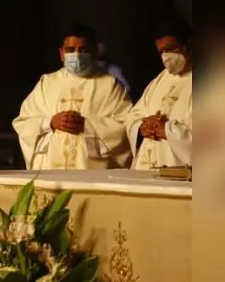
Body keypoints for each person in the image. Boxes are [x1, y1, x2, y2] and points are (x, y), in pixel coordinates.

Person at [12, 23, 133, 170]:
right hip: (51, 172)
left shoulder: (110, 85)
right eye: (70, 50)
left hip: (91, 174)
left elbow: (125, 126)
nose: (76, 54)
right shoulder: (47, 83)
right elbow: (24, 122)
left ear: (95, 52)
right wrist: (50, 123)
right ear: (62, 54)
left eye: (83, 50)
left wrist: (87, 126)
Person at [125, 19, 193, 169]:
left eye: (171, 48)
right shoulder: (159, 80)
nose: (166, 57)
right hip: (147, 169)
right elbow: (133, 115)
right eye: (161, 52)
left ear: (189, 44)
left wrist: (167, 130)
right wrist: (142, 127)